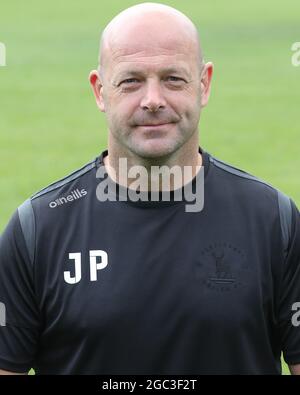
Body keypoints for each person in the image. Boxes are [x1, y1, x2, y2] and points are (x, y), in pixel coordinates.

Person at [0, 2, 299, 375]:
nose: (153, 100)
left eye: (173, 79)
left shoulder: (275, 221)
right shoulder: (36, 230)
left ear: (204, 85)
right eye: (131, 81)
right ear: (99, 91)